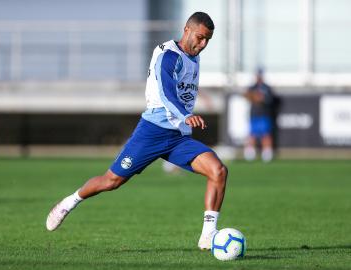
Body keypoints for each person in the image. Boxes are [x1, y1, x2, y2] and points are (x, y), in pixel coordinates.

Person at [46, 12, 228, 251]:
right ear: (186, 29)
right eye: (200, 37)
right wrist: (186, 115)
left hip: (178, 137)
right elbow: (166, 93)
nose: (203, 45)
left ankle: (208, 236)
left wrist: (186, 119)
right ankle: (70, 202)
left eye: (208, 41)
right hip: (152, 132)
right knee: (112, 181)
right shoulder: (168, 55)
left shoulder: (193, 57)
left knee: (218, 170)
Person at [243, 68, 274, 162]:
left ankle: (267, 154)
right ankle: (250, 154)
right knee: (252, 134)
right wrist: (254, 97)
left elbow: (268, 99)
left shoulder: (267, 88)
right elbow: (247, 96)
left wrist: (259, 98)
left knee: (266, 134)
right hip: (254, 115)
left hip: (264, 114)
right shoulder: (252, 87)